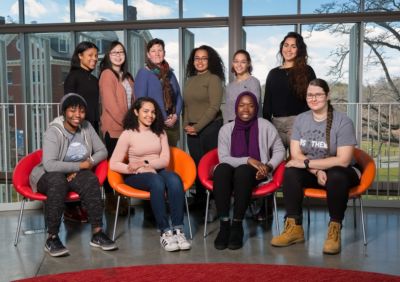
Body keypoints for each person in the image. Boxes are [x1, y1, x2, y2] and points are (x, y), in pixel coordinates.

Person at [270, 78, 361, 255]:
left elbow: (343, 160)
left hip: (343, 174)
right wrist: (316, 170)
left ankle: (334, 229)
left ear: (327, 96)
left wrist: (308, 163)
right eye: (309, 95)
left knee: (336, 174)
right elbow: (296, 155)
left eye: (318, 94)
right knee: (290, 171)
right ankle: (294, 228)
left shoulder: (343, 121)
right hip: (314, 172)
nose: (313, 98)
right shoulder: (301, 120)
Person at [29, 93, 117, 257]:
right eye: (72, 110)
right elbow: (49, 164)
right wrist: (77, 166)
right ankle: (52, 237)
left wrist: (87, 164)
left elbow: (102, 151)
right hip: (48, 175)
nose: (77, 115)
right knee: (58, 182)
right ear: (64, 112)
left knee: (91, 180)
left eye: (82, 111)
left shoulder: (87, 127)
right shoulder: (53, 132)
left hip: (76, 172)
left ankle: (97, 233)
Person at [109, 97, 191, 252]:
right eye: (145, 111)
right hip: (136, 175)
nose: (150, 115)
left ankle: (178, 231)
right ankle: (165, 232)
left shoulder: (160, 133)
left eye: (153, 112)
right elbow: (113, 163)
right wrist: (135, 168)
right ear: (136, 112)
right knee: (156, 182)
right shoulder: (128, 134)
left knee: (175, 179)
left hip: (157, 170)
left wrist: (146, 164)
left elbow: (165, 160)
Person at [214, 91, 285, 250]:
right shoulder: (226, 129)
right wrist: (248, 159)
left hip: (255, 173)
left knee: (243, 172)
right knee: (221, 170)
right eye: (242, 105)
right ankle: (224, 225)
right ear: (236, 107)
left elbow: (280, 150)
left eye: (251, 105)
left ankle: (237, 225)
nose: (246, 109)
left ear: (256, 108)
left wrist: (268, 166)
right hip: (232, 170)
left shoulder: (265, 125)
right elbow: (223, 158)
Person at [261, 31, 316, 220]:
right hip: (275, 123)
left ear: (299, 50)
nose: (289, 49)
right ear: (281, 47)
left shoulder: (306, 71)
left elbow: (312, 99)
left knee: (295, 169)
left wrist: (307, 125)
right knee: (271, 166)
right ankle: (266, 208)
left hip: (297, 124)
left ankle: (294, 214)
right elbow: (267, 103)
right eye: (286, 45)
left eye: (293, 46)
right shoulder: (273, 73)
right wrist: (266, 127)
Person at [183, 45, 225, 220]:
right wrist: (186, 124)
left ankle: (214, 204)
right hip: (192, 129)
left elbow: (214, 107)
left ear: (210, 60)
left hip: (210, 128)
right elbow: (186, 105)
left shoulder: (214, 79)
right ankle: (201, 201)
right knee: (197, 165)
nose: (200, 61)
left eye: (204, 58)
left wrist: (197, 127)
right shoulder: (190, 80)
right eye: (196, 58)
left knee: (210, 168)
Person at [63, 41, 100, 223]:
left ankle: (82, 205)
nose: (94, 59)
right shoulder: (73, 77)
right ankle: (71, 209)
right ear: (80, 56)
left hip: (92, 127)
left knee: (87, 167)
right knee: (74, 166)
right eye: (90, 55)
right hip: (76, 128)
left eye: (96, 56)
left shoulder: (93, 78)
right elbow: (68, 107)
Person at [99, 41, 134, 216]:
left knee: (125, 166)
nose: (118, 55)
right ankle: (112, 203)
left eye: (121, 52)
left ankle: (124, 201)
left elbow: (133, 103)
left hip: (128, 130)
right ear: (108, 55)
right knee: (112, 166)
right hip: (113, 130)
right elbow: (111, 106)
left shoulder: (127, 77)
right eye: (114, 52)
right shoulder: (107, 74)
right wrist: (128, 125)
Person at [134, 38, 183, 146]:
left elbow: (179, 97)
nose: (157, 53)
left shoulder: (170, 73)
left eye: (160, 50)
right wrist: (164, 118)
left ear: (164, 53)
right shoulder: (143, 73)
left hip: (172, 125)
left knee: (172, 159)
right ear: (148, 54)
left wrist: (175, 116)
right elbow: (140, 103)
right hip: (154, 125)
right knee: (157, 159)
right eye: (153, 51)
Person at [223, 49, 261, 124]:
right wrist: (225, 127)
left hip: (249, 126)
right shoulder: (229, 86)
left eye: (243, 62)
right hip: (231, 126)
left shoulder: (254, 82)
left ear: (248, 63)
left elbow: (253, 108)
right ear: (233, 63)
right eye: (236, 61)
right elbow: (227, 111)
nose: (239, 65)